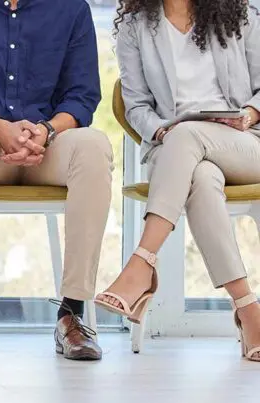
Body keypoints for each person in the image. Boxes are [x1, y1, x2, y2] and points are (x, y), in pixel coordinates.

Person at [0, 0, 113, 360]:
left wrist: (46, 131)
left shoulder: (71, 9)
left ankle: (73, 313)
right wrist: (0, 129)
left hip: (50, 142)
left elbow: (82, 94)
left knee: (94, 147)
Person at [98, 0, 260, 362]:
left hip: (246, 144)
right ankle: (248, 309)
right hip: (175, 148)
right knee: (200, 177)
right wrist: (161, 130)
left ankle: (141, 264)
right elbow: (136, 105)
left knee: (187, 136)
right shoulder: (135, 26)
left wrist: (248, 115)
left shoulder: (242, 14)